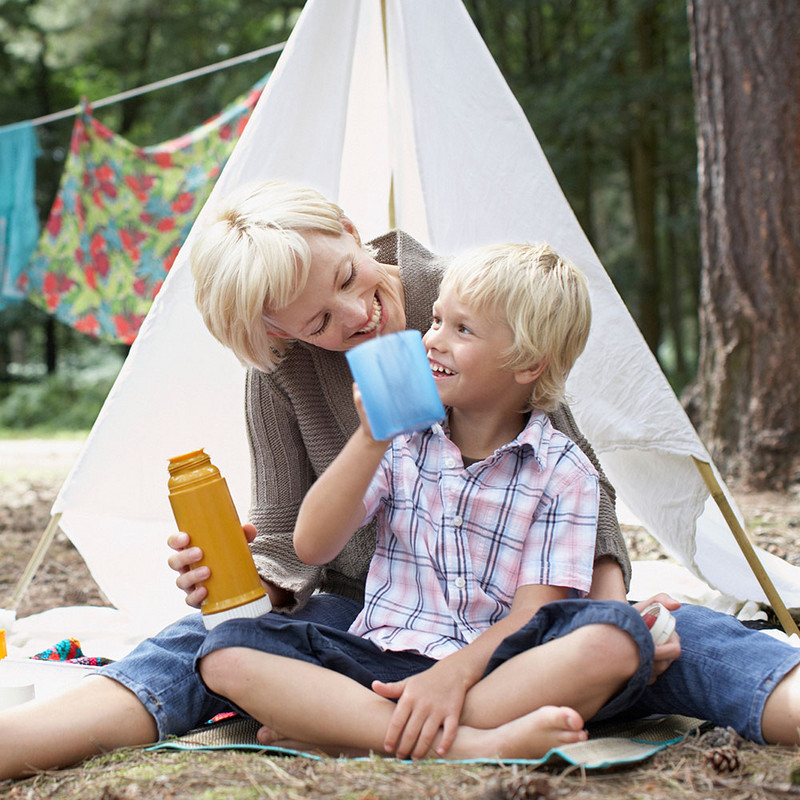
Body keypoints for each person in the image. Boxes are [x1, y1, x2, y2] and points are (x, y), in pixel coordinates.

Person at [0, 180, 797, 779]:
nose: (355, 315)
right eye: (317, 320)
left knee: (665, 635)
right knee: (206, 647)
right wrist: (242, 576)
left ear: (352, 230)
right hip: (369, 612)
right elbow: (291, 544)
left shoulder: (469, 301)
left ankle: (762, 695)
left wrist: (608, 601)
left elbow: (576, 484)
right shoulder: (281, 374)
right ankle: (25, 742)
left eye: (351, 275)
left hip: (510, 616)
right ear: (277, 334)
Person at [195, 242, 654, 760]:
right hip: (377, 654)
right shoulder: (405, 437)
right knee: (225, 651)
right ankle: (470, 745)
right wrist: (371, 437)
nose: (431, 339)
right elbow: (312, 546)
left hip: (495, 667)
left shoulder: (565, 471)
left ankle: (349, 731)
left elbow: (532, 617)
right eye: (436, 320)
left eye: (462, 330)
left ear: (526, 363)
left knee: (615, 638)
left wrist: (452, 678)